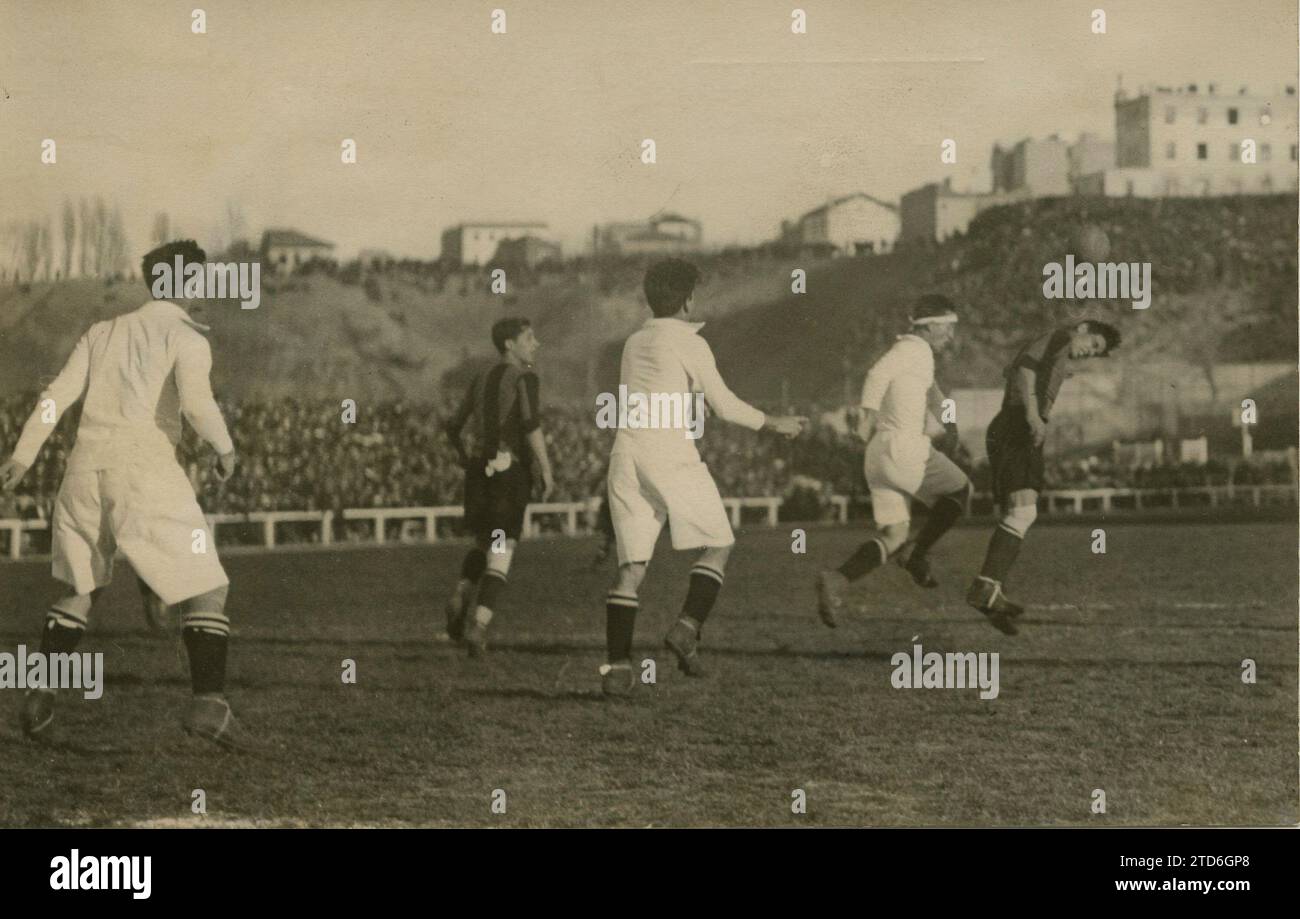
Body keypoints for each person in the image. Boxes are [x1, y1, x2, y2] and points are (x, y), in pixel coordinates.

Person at [0, 239, 250, 747]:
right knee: (209, 586)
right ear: (186, 281)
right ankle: (208, 703)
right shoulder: (187, 337)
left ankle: (42, 693)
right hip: (145, 470)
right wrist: (226, 449)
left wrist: (22, 457)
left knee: (81, 588)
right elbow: (199, 405)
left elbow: (56, 398)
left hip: (84, 470)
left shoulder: (102, 331)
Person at [599, 258, 805, 695]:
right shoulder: (690, 342)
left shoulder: (634, 342)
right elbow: (725, 405)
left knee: (632, 569)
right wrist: (775, 422)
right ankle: (687, 627)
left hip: (626, 454)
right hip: (669, 454)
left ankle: (617, 667)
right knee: (720, 543)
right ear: (689, 299)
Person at [816, 295, 973, 627]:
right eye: (948, 328)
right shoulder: (913, 350)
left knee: (894, 536)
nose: (950, 336)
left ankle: (838, 579)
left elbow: (934, 392)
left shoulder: (918, 355)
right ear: (931, 326)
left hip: (878, 456)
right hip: (904, 447)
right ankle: (918, 556)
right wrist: (866, 415)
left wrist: (951, 424)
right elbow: (876, 374)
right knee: (960, 492)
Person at [966, 319, 1121, 628]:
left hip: (1015, 426)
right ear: (1083, 327)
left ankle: (991, 591)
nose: (1087, 353)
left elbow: (1012, 369)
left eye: (1094, 353)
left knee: (1021, 512)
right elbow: (1024, 368)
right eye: (1092, 344)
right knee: (1022, 512)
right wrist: (1033, 415)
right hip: (1017, 425)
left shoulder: (1055, 348)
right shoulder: (1060, 337)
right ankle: (986, 587)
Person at [443, 318, 554, 657]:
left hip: (479, 471)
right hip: (509, 473)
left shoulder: (480, 379)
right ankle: (479, 625)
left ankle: (463, 589)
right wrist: (546, 469)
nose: (536, 344)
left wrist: (465, 457)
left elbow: (453, 427)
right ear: (509, 344)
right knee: (502, 552)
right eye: (529, 338)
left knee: (483, 541)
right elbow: (531, 424)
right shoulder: (524, 378)